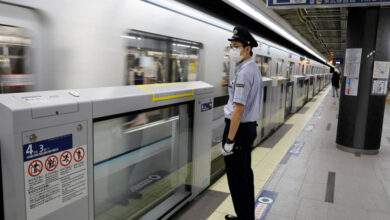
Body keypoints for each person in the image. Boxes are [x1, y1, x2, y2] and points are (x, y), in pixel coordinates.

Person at [222, 26, 263, 220]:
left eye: (236, 46)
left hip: (238, 131)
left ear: (247, 49)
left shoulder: (244, 73)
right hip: (247, 129)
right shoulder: (252, 69)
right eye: (231, 46)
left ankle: (244, 217)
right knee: (245, 175)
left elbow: (238, 109)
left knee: (237, 179)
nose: (232, 50)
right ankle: (246, 216)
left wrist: (229, 140)